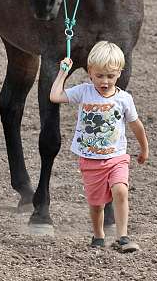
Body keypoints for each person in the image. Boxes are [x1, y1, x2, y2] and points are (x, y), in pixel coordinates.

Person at [49, 41, 149, 253]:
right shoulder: (84, 92)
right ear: (90, 72)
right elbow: (55, 96)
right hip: (90, 161)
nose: (105, 81)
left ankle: (123, 236)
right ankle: (99, 235)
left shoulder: (124, 99)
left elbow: (136, 125)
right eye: (99, 76)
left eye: (110, 76)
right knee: (96, 205)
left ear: (119, 74)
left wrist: (144, 148)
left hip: (117, 158)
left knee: (121, 190)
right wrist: (62, 73)